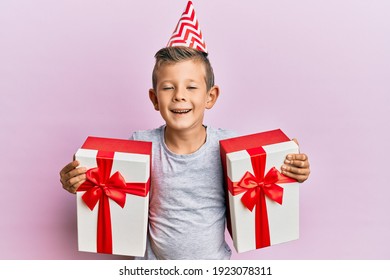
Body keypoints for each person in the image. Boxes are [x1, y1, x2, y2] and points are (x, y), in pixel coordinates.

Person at [59, 1, 310, 260]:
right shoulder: (140, 146)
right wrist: (77, 181)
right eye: (168, 88)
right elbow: (106, 188)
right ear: (155, 99)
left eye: (191, 87)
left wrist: (291, 171)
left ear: (210, 97)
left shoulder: (231, 147)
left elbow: (265, 181)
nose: (179, 96)